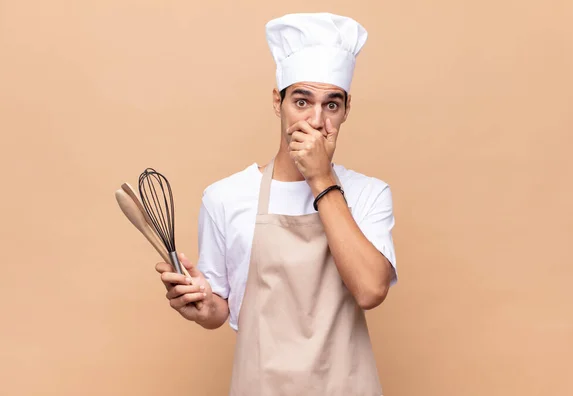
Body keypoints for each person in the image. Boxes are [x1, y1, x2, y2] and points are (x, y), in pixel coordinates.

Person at [155, 12, 398, 396]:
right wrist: (201, 303)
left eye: (331, 106)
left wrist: (321, 178)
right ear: (277, 101)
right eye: (302, 101)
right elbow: (221, 310)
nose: (316, 121)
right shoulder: (225, 197)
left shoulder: (369, 194)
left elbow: (370, 290)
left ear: (346, 110)